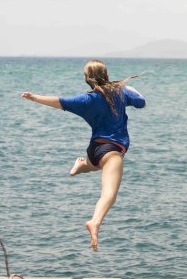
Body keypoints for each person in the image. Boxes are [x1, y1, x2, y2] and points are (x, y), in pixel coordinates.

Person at [21, 60, 145, 251]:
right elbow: (141, 102)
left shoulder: (86, 100)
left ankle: (82, 164)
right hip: (112, 151)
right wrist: (128, 87)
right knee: (109, 194)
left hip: (94, 150)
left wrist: (34, 97)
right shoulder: (120, 92)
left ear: (87, 79)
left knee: (97, 164)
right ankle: (95, 222)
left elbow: (60, 101)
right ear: (107, 75)